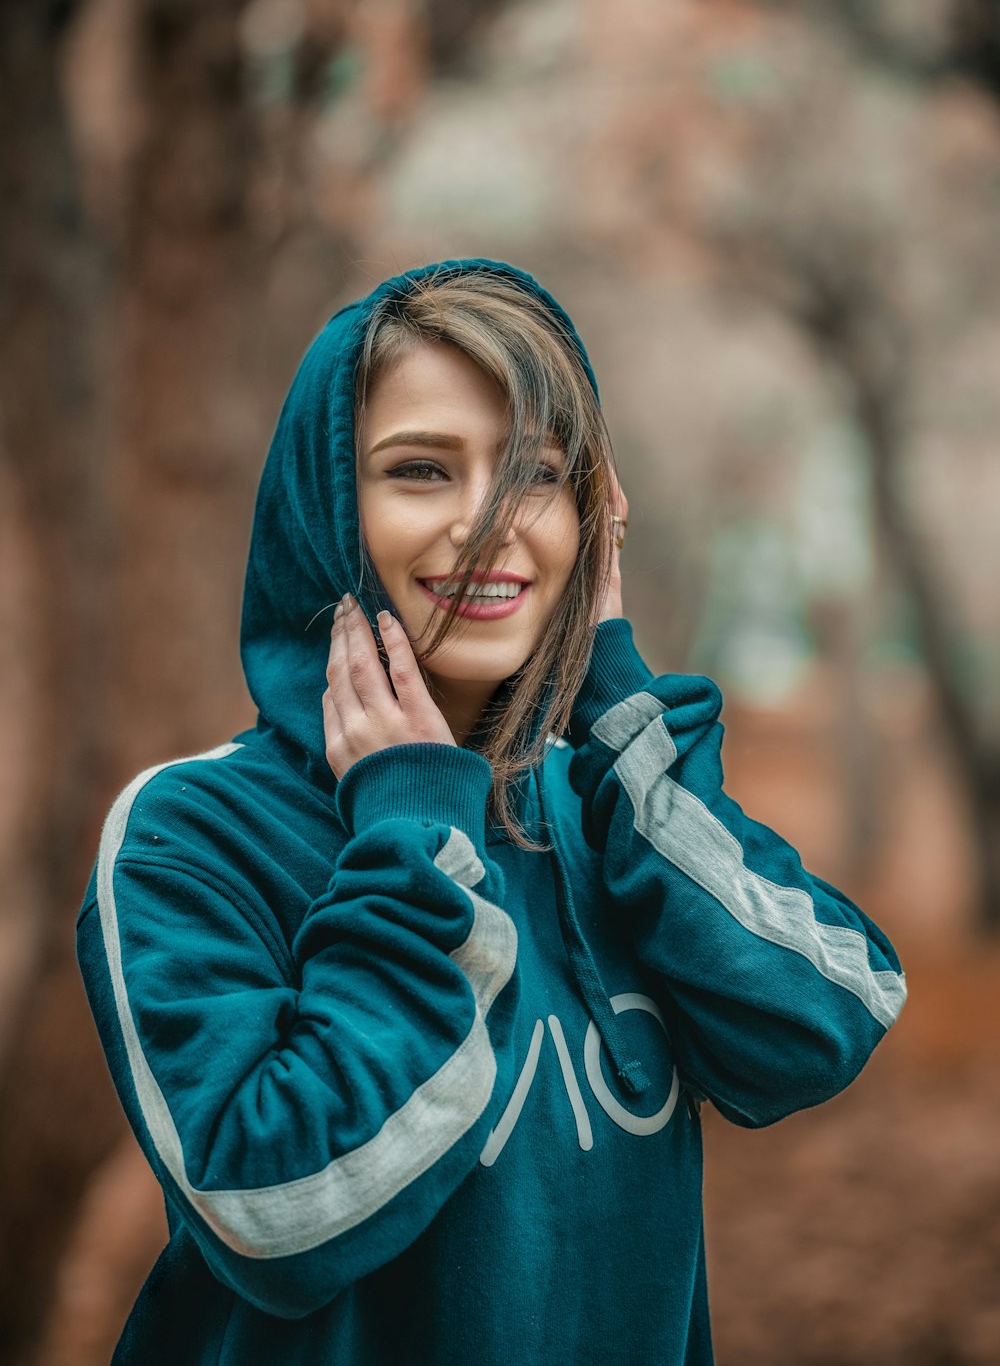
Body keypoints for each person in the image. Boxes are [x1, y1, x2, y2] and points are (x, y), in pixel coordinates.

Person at [77, 258, 907, 1365]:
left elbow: (819, 1023)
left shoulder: (609, 808)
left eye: (537, 475)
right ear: (325, 512)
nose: (486, 524)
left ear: (592, 523)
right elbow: (276, 1213)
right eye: (419, 469)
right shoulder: (193, 830)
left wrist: (619, 718)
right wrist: (416, 833)